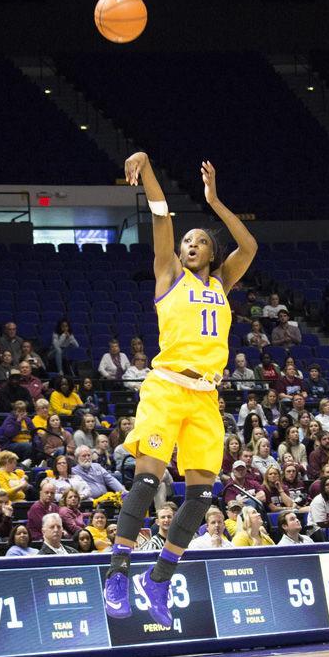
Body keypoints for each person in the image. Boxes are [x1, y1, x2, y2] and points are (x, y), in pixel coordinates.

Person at [103, 153, 256, 627]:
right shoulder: (168, 275)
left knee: (202, 495)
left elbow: (249, 246)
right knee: (148, 479)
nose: (190, 245)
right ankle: (117, 573)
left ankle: (160, 577)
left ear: (211, 252)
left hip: (206, 397)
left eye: (200, 241)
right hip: (167, 388)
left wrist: (215, 201)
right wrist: (149, 167)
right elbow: (161, 216)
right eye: (186, 241)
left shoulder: (224, 283)